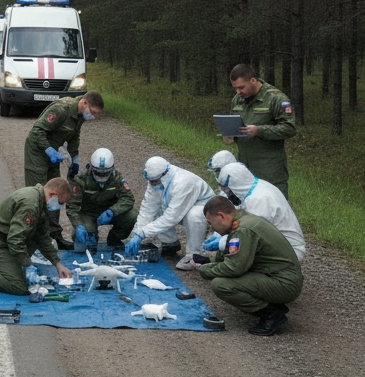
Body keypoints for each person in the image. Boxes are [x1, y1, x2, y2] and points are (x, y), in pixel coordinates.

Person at [193, 196, 303, 336]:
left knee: (221, 284)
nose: (211, 227)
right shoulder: (244, 219)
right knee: (223, 277)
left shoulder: (242, 230)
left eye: (211, 223)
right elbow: (233, 256)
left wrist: (205, 269)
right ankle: (270, 306)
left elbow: (234, 268)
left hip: (285, 283)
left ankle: (272, 314)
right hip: (278, 276)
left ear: (221, 216)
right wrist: (213, 262)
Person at [22, 91, 104, 248]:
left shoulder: (80, 116)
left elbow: (74, 137)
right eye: (93, 112)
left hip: (53, 153)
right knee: (38, 194)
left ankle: (55, 235)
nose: (93, 116)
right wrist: (49, 151)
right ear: (85, 103)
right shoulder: (61, 109)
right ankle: (32, 238)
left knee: (56, 194)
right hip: (37, 152)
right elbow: (37, 132)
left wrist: (74, 159)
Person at [198, 160, 305, 262]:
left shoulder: (258, 200)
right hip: (279, 242)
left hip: (290, 250)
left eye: (226, 188)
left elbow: (250, 236)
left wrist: (224, 241)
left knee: (238, 260)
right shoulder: (256, 188)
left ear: (235, 185)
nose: (226, 192)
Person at [122, 156, 215, 269]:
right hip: (179, 208)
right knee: (158, 208)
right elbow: (148, 208)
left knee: (194, 215)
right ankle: (170, 243)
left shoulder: (183, 182)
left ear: (164, 175)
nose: (153, 184)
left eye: (155, 181)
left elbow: (171, 217)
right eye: (151, 181)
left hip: (204, 209)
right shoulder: (155, 179)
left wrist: (142, 233)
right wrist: (136, 233)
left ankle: (194, 254)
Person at [225, 64, 296, 199]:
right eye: (235, 88)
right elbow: (234, 123)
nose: (238, 92)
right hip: (245, 169)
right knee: (250, 211)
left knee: (276, 211)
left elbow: (290, 128)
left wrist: (259, 131)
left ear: (253, 80)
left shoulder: (276, 98)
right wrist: (229, 134)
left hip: (270, 170)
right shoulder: (237, 100)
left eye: (241, 87)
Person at [66, 148, 137, 249]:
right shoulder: (81, 180)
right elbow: (72, 206)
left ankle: (114, 239)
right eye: (97, 172)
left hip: (109, 212)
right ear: (91, 167)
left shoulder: (117, 178)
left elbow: (128, 198)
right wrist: (78, 225)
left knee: (132, 216)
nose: (101, 176)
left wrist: (112, 211)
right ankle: (89, 233)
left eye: (105, 173)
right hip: (88, 214)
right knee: (86, 238)